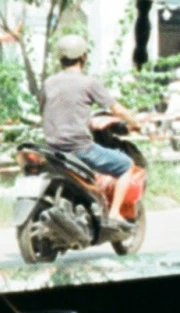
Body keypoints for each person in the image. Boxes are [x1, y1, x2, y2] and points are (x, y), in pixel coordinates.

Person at [41, 34, 139, 234]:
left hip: (52, 150)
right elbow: (116, 109)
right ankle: (113, 214)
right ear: (83, 56)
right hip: (80, 149)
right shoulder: (88, 83)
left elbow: (44, 109)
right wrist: (135, 122)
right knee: (126, 166)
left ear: (60, 58)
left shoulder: (49, 83)